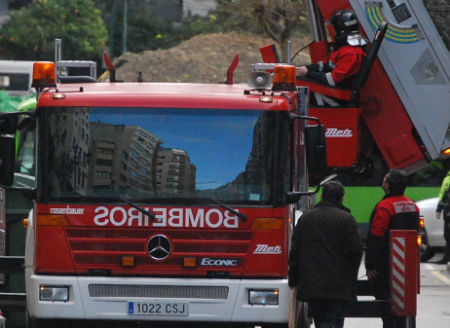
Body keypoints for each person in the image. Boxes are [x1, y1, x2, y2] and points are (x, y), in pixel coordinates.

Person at [288, 180, 363, 328]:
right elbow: (356, 251)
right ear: (342, 198)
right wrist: (351, 278)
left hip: (312, 283)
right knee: (332, 319)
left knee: (320, 318)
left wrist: (294, 278)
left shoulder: (306, 218)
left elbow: (295, 251)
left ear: (322, 196)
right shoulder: (347, 219)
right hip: (339, 284)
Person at [365, 169, 420, 328]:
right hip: (407, 266)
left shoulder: (385, 207)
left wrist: (371, 265)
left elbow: (376, 236)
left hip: (387, 266)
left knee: (386, 306)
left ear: (387, 185)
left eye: (384, 179)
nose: (382, 181)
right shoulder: (412, 206)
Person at [296, 9, 367, 106]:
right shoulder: (347, 50)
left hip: (336, 99)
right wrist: (305, 68)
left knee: (295, 88)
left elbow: (332, 80)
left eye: (334, 29)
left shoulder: (351, 54)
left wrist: (307, 73)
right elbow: (325, 66)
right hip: (333, 93)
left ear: (341, 30)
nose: (333, 32)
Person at [434, 170, 450, 264]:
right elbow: (443, 195)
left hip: (448, 211)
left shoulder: (447, 178)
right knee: (447, 235)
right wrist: (439, 209)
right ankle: (446, 257)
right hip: (447, 211)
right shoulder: (447, 178)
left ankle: (446, 258)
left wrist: (439, 209)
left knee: (448, 235)